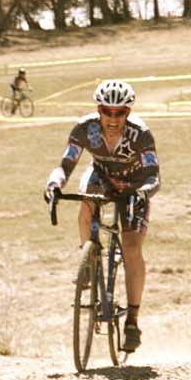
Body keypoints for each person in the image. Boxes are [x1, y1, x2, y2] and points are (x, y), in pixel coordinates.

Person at [44, 79, 161, 353]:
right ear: (99, 110)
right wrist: (54, 184)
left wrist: (142, 192)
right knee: (86, 202)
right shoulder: (85, 129)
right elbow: (66, 163)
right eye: (106, 111)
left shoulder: (141, 134)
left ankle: (132, 320)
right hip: (102, 176)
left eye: (119, 112)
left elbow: (154, 175)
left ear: (127, 113)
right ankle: (88, 259)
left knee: (132, 248)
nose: (112, 117)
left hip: (134, 184)